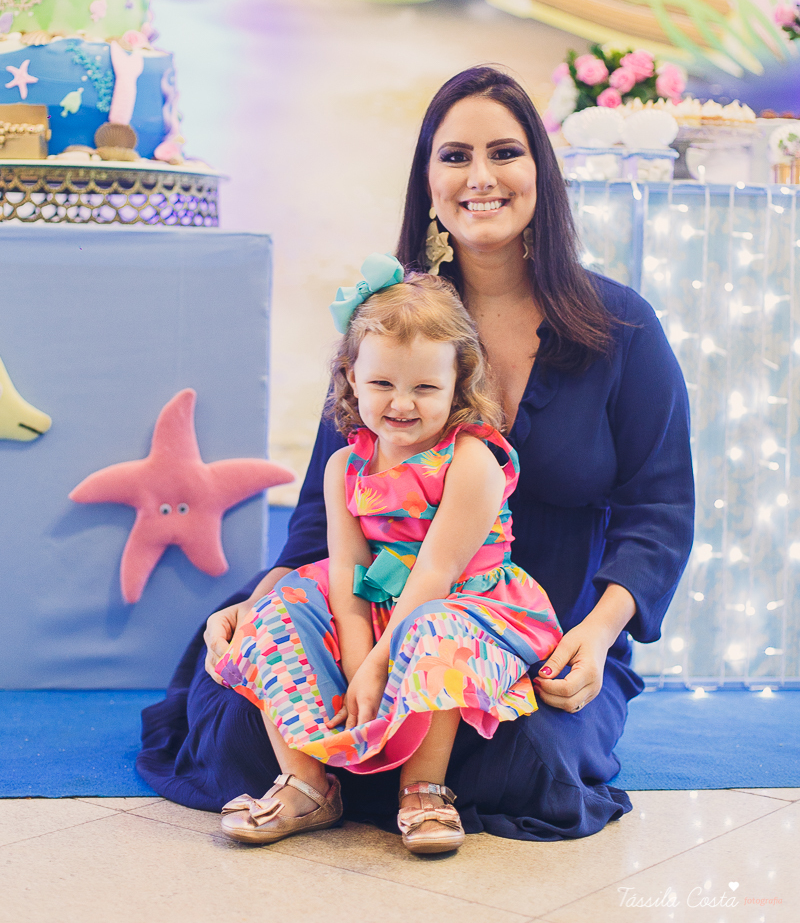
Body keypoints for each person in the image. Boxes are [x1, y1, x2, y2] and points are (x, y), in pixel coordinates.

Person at [138, 65, 694, 842]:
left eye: (505, 152)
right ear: (428, 181)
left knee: (529, 762)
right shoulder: (389, 325)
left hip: (540, 626)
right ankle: (330, 780)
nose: (481, 177)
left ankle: (408, 778)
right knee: (238, 725)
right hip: (374, 609)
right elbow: (324, 515)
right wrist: (263, 599)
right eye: (455, 156)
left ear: (541, 170)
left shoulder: (620, 327)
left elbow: (659, 510)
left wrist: (599, 633)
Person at [213, 256, 561, 852]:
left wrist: (379, 665)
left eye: (425, 387)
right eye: (382, 384)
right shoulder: (343, 465)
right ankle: (306, 783)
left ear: (459, 381)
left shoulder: (471, 460)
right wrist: (357, 662)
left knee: (432, 627)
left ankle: (424, 789)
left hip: (466, 604)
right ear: (351, 377)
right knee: (274, 608)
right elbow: (347, 573)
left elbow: (437, 572)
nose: (402, 403)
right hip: (379, 601)